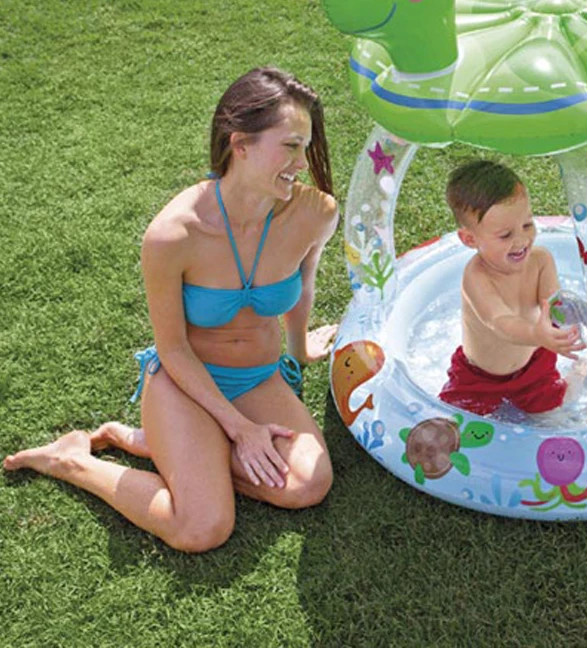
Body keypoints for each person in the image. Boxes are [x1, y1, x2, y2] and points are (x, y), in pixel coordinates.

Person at [3, 67, 339, 552]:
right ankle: (72, 459)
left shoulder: (315, 212)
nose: (303, 163)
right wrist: (241, 429)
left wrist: (301, 349)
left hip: (258, 378)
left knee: (309, 485)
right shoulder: (173, 234)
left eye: (305, 147)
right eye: (290, 146)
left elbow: (303, 287)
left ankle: (164, 447)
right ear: (240, 144)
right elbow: (173, 348)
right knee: (201, 528)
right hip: (185, 382)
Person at [438, 160, 587, 416]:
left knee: (553, 413)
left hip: (534, 365)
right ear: (470, 239)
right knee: (454, 421)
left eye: (527, 225)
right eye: (505, 235)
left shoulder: (541, 261)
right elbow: (500, 321)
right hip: (479, 377)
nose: (522, 240)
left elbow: (553, 304)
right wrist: (537, 334)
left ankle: (581, 373)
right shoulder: (477, 277)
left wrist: (571, 313)